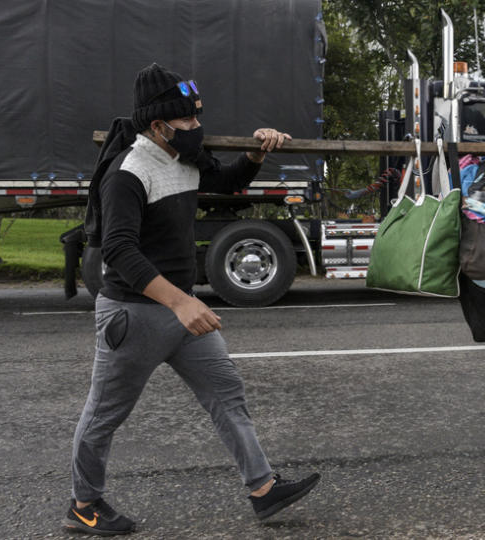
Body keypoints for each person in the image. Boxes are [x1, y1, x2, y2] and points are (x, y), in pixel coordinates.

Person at [65, 63, 320, 536]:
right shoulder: (128, 172)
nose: (195, 128)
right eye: (186, 121)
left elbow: (226, 182)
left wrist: (255, 152)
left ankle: (263, 489)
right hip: (134, 314)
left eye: (196, 118)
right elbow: (119, 250)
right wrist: (181, 303)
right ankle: (83, 504)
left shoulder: (183, 158)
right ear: (158, 126)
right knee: (104, 415)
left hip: (182, 314)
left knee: (227, 394)